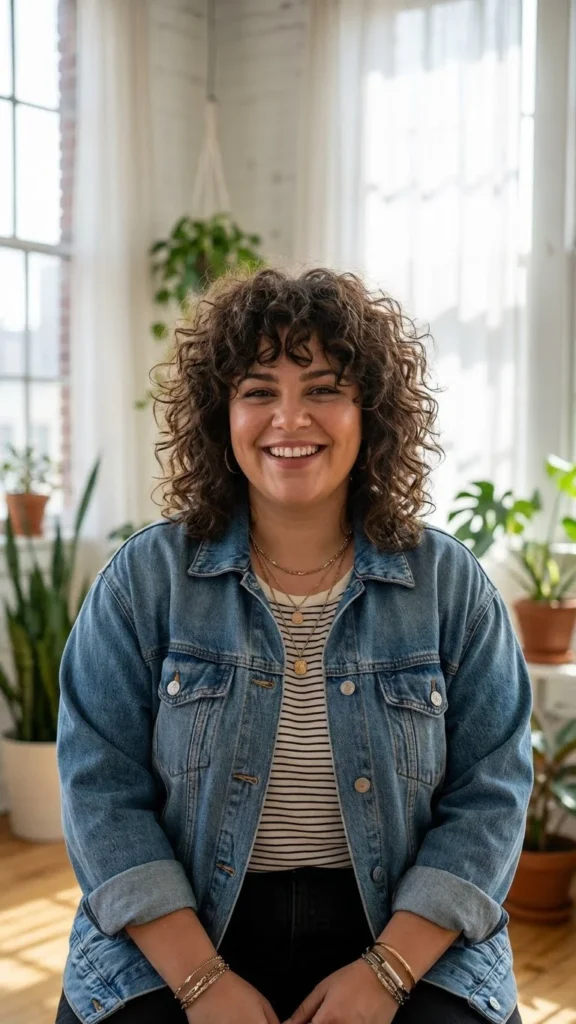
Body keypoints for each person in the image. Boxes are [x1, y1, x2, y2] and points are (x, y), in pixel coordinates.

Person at [55, 268, 531, 1024]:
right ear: (221, 415)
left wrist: (387, 973)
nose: (289, 418)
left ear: (370, 411)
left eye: (323, 388)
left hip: (401, 928)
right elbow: (100, 795)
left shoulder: (450, 585)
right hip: (181, 927)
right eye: (258, 391)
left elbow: (491, 797)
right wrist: (202, 983)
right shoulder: (143, 581)